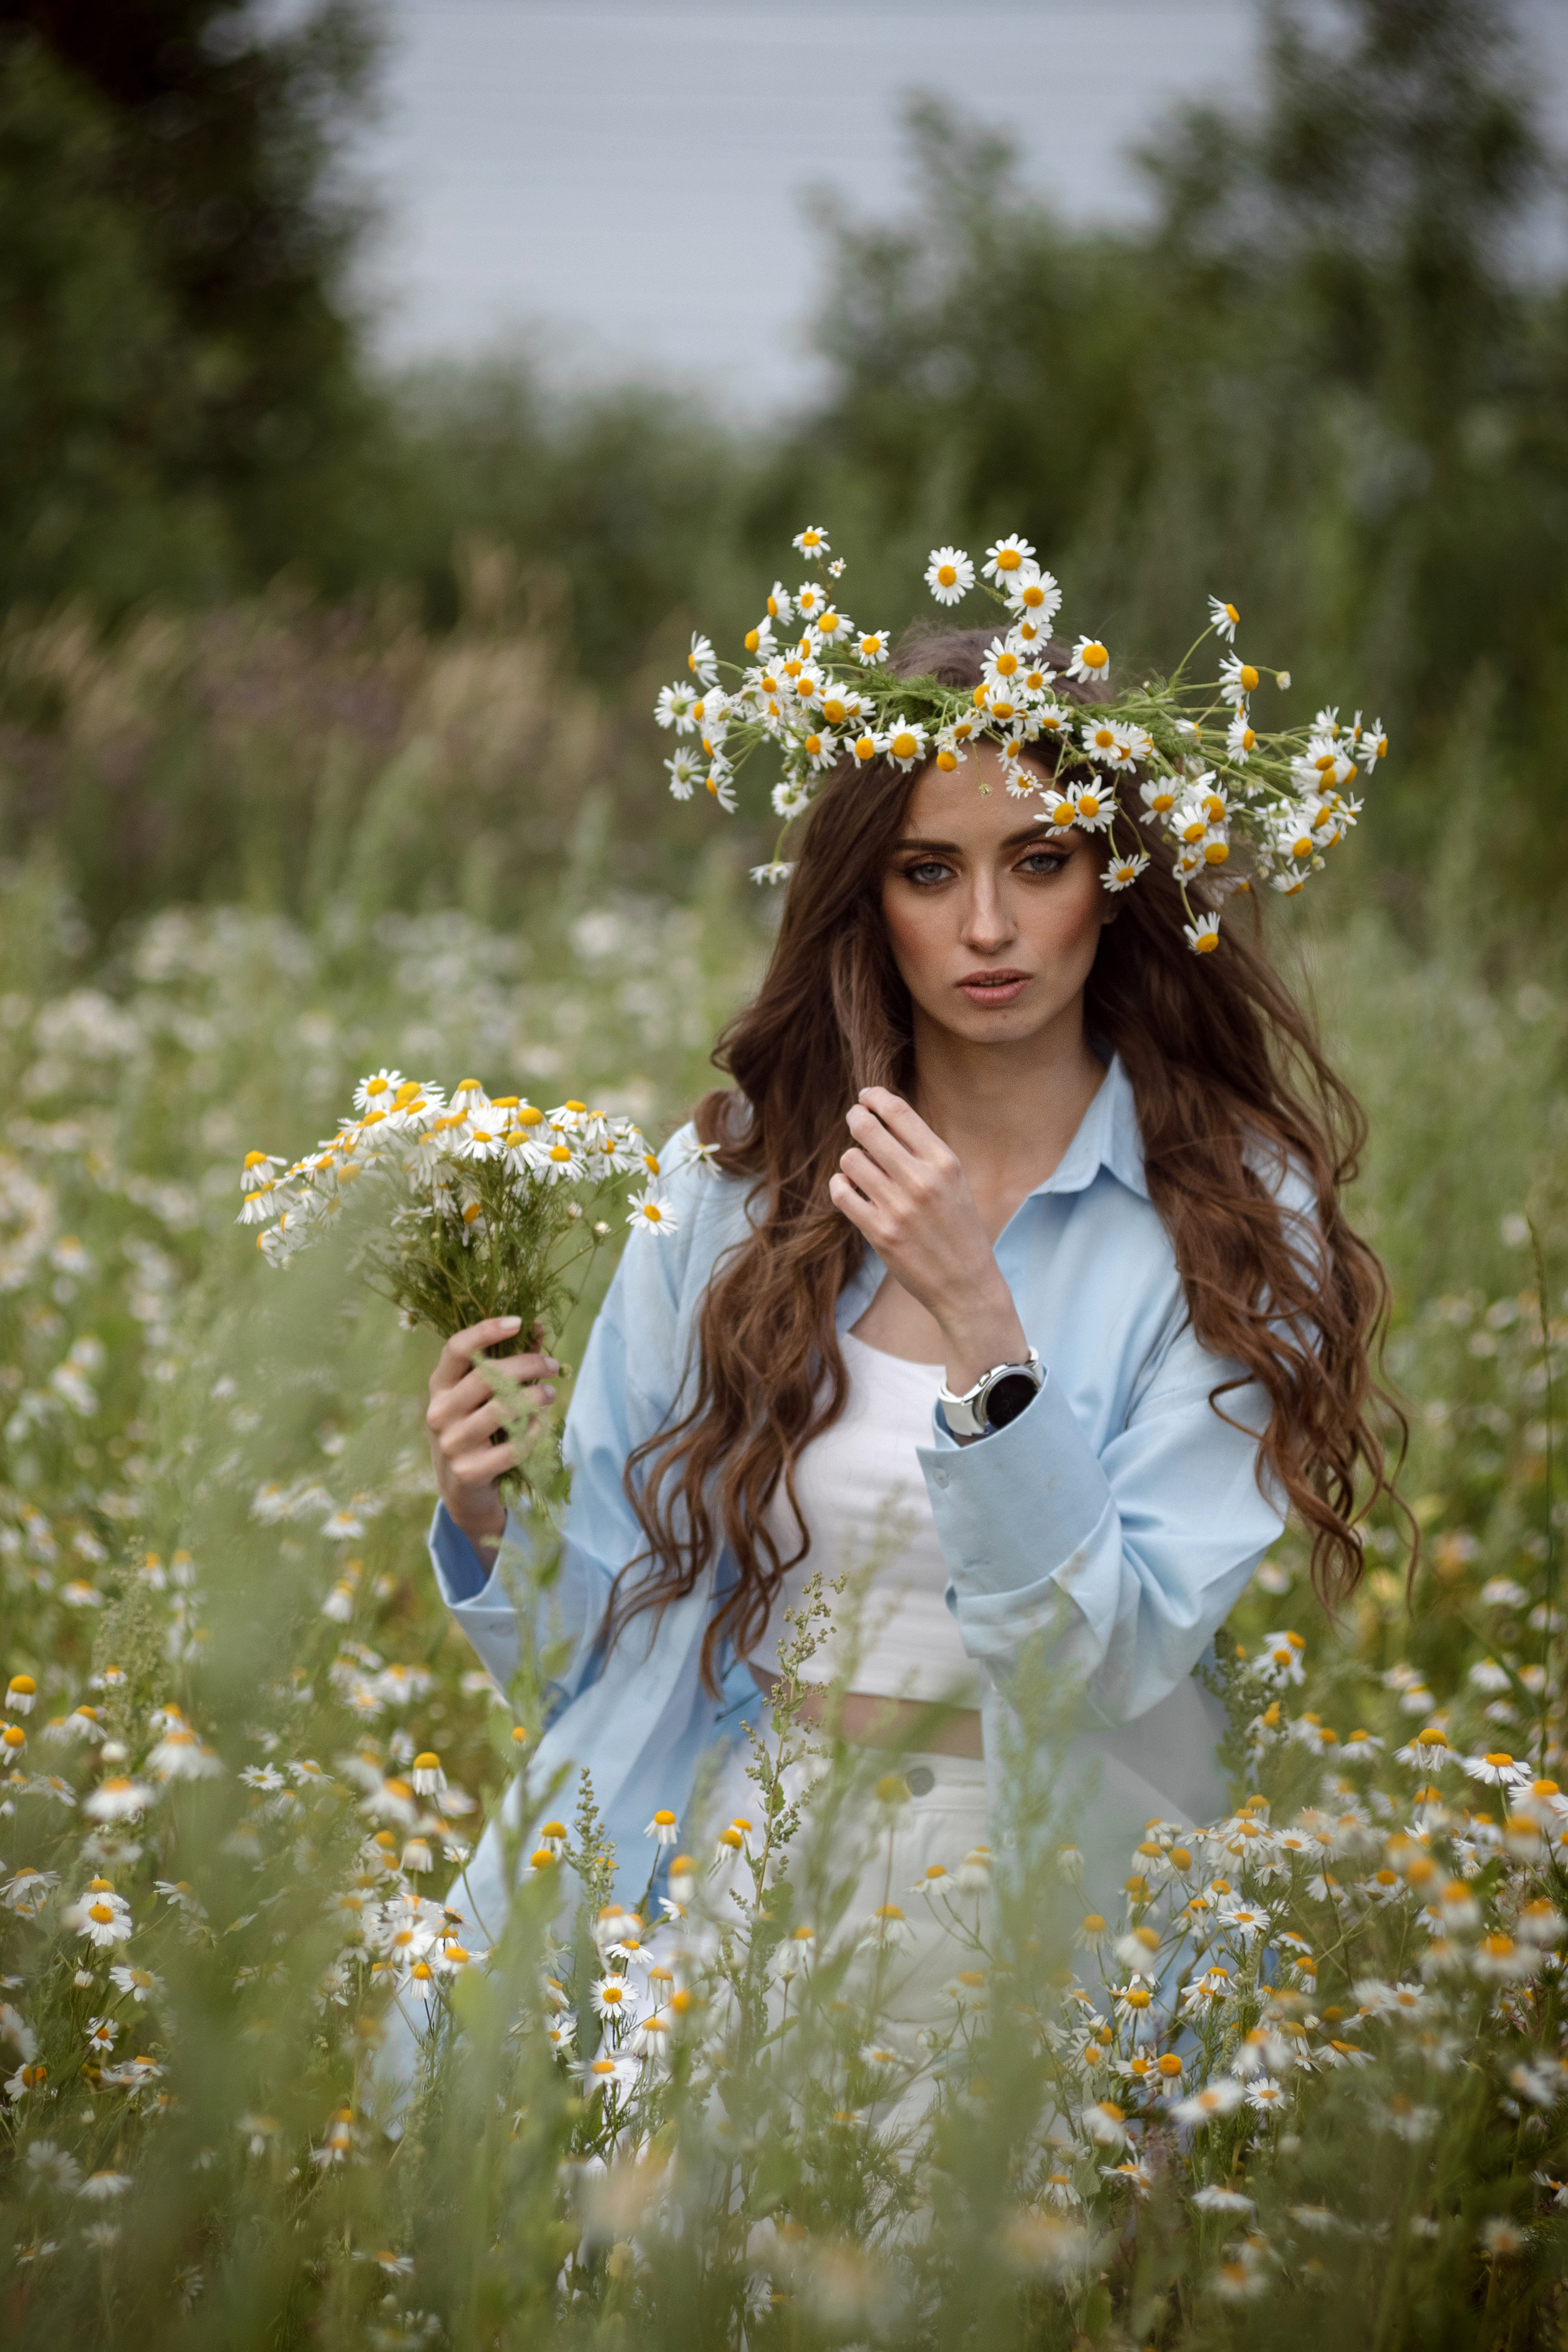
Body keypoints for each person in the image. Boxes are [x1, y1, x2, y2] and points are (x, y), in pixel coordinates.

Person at [420, 624, 1395, 1993]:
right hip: (730, 1868)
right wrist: (488, 1516)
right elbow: (599, 1643)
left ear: (1111, 886)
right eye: (929, 872)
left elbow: (1100, 1660)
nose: (987, 927)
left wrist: (982, 1330)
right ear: (867, 898)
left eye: (1039, 862)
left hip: (1050, 1900)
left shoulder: (1233, 1217)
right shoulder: (732, 1187)